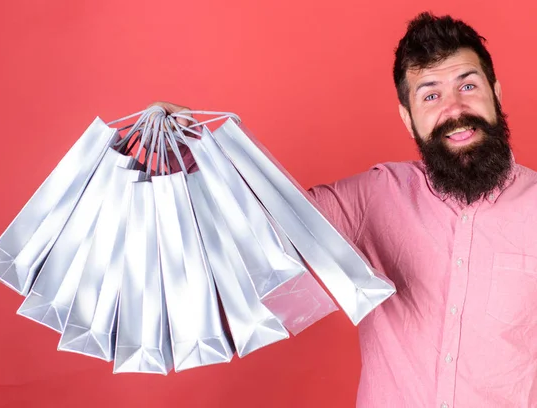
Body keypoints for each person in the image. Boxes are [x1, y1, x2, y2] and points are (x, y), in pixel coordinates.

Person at [152, 12, 537, 408]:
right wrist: (193, 159)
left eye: (468, 85)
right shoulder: (372, 197)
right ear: (408, 118)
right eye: (431, 95)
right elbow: (265, 229)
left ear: (496, 93)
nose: (454, 109)